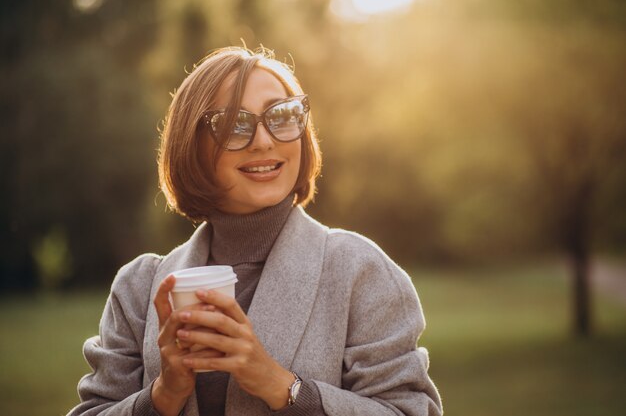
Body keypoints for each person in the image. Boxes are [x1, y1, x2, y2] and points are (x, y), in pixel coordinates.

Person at [68, 46, 443, 416]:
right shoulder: (138, 288)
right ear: (191, 144)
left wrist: (281, 385)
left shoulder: (358, 271)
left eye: (282, 116)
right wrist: (163, 396)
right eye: (234, 124)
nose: (264, 140)